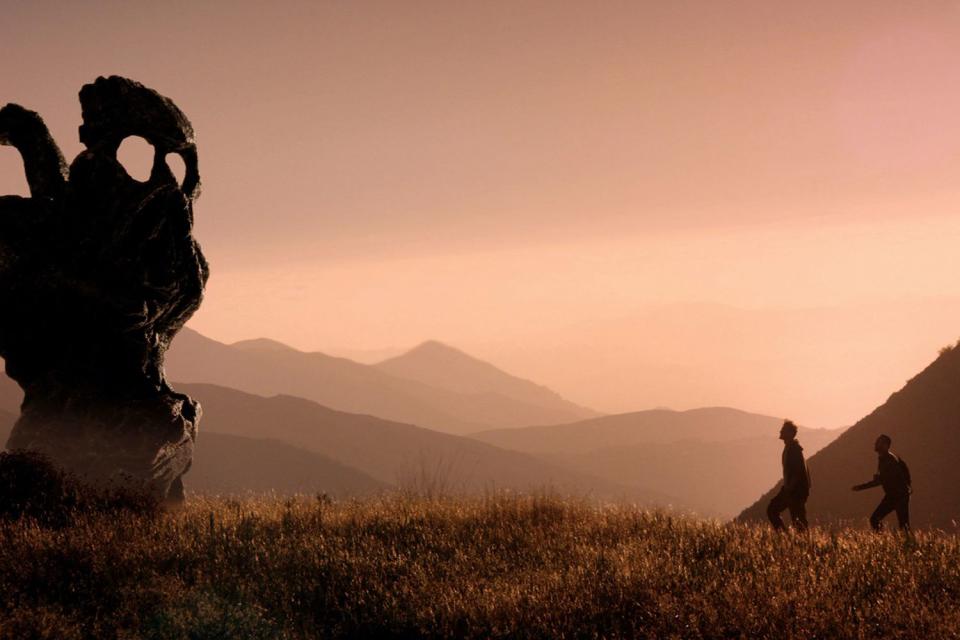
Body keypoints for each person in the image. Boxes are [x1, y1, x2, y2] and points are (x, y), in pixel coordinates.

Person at [851, 434, 911, 531]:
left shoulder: (888, 460)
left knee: (877, 520)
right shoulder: (885, 458)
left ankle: (884, 540)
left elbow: (880, 481)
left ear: (886, 445)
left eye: (878, 442)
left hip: (898, 496)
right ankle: (886, 541)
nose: (875, 444)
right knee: (878, 520)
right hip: (896, 495)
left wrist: (861, 487)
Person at [767, 420, 810, 531]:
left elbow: (798, 472)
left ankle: (787, 539)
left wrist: (790, 488)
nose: (780, 431)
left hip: (794, 491)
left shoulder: (794, 449)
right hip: (793, 489)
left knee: (797, 520)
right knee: (797, 520)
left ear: (790, 433)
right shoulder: (792, 448)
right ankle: (789, 539)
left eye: (783, 430)